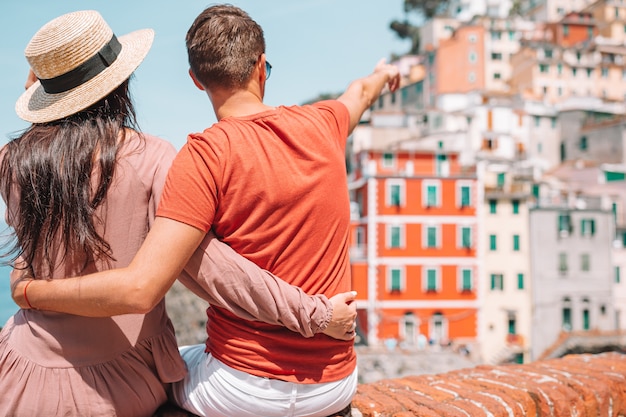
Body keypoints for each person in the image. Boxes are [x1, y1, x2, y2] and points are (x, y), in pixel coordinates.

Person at [12, 4, 400, 417]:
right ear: (261, 66)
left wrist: (29, 291)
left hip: (237, 389)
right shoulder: (324, 123)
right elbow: (360, 92)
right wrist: (383, 75)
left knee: (175, 367)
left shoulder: (200, 156)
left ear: (196, 80)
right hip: (334, 384)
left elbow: (148, 281)